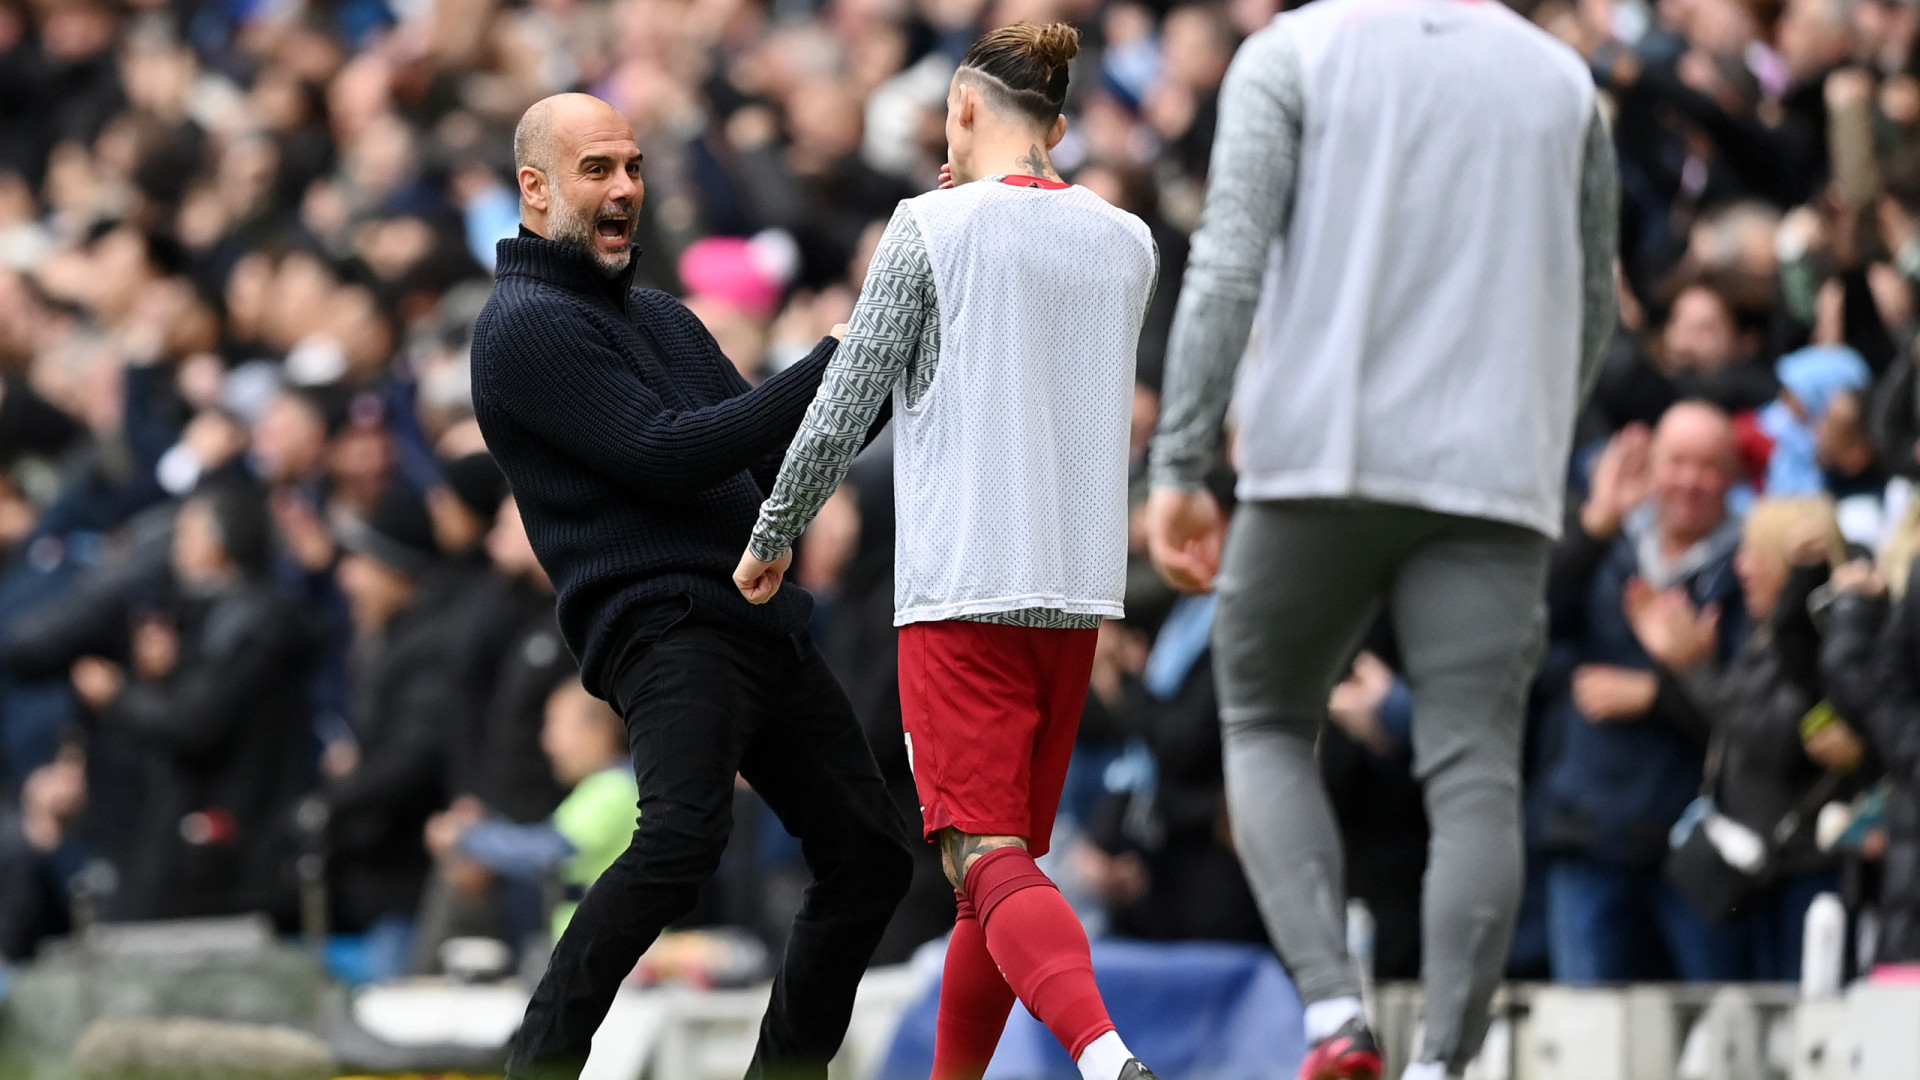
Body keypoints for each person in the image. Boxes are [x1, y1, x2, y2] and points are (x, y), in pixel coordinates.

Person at [1142, 4, 1619, 1078]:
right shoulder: (1563, 82)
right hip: (1496, 478)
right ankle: (1445, 1060)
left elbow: (1226, 269)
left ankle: (1332, 1015)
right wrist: (1537, 434)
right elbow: (1594, 303)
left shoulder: (1295, 51)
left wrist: (1179, 465)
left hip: (1319, 460)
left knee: (1264, 723)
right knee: (1476, 779)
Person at [736, 23, 1162, 1080]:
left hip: (964, 581)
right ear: (1058, 127)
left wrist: (774, 529)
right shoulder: (1130, 240)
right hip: (1076, 590)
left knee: (983, 859)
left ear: (963, 110)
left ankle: (1102, 1054)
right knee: (999, 874)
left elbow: (845, 402)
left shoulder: (930, 226)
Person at [468, 92, 911, 1080]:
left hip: (759, 619)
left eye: (630, 164)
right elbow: (667, 456)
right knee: (681, 838)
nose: (624, 186)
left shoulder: (664, 320)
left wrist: (878, 367)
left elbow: (774, 468)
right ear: (534, 191)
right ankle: (536, 1064)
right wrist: (836, 359)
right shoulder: (522, 327)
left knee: (870, 856)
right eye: (596, 169)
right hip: (665, 621)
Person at [1537, 403, 1751, 983]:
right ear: (1651, 468)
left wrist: (1660, 691)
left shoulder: (1748, 568)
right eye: (1677, 462)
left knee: (1712, 1041)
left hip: (1698, 848)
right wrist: (1592, 526)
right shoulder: (1606, 546)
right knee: (1588, 1042)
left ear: (1733, 479)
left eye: (1708, 466)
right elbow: (1531, 625)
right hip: (1590, 831)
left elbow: (1759, 713)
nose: (1689, 480)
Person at [1627, 496, 1866, 979]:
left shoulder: (1821, 637)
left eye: (1754, 553)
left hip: (1805, 868)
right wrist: (1684, 667)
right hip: (1758, 871)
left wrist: (1694, 668)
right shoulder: (1759, 633)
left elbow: (1774, 737)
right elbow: (1730, 729)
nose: (1742, 567)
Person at [426, 678, 636, 943]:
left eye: (555, 725)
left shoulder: (613, 789)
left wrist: (468, 836)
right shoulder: (604, 788)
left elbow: (547, 852)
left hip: (615, 950)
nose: (546, 741)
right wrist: (487, 823)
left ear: (599, 731)